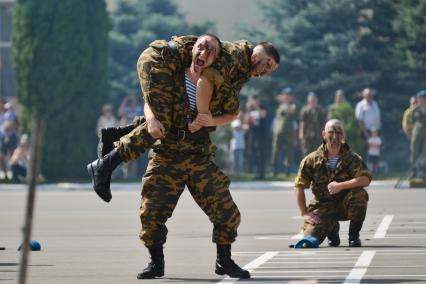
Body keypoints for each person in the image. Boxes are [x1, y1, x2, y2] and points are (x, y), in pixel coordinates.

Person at [87, 33, 280, 280]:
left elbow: (230, 110)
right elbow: (151, 102)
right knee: (151, 214)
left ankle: (224, 261)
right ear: (191, 52)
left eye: (211, 54)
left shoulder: (226, 81)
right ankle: (156, 263)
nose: (204, 56)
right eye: (201, 50)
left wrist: (208, 118)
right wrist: (156, 117)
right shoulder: (172, 78)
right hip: (167, 153)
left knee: (226, 211)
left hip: (197, 153)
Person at [294, 119, 371, 247]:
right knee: (308, 241)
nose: (335, 136)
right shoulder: (312, 159)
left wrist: (340, 186)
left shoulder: (352, 158)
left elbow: (365, 179)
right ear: (324, 134)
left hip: (345, 204)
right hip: (323, 205)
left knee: (359, 194)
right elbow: (299, 185)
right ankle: (332, 229)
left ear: (343, 136)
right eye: (331, 132)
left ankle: (353, 236)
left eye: (339, 132)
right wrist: (304, 213)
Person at [271, 88, 297, 175]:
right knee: (276, 150)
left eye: (288, 96)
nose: (287, 97)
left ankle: (287, 169)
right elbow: (274, 97)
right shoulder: (280, 106)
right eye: (285, 95)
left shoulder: (292, 106)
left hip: (289, 131)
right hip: (278, 131)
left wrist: (288, 105)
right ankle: (275, 169)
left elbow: (292, 114)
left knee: (288, 151)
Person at [299, 92, 326, 157]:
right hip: (307, 135)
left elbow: (324, 122)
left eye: (314, 100)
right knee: (306, 152)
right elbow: (302, 122)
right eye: (311, 100)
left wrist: (325, 133)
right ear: (308, 101)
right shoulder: (305, 110)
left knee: (318, 152)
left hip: (318, 135)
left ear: (316, 100)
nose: (312, 101)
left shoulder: (320, 110)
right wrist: (301, 133)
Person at [409, 90, 426, 178]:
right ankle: (413, 171)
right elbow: (411, 120)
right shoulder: (415, 109)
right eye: (419, 98)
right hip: (417, 133)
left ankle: (423, 171)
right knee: (414, 152)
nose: (421, 100)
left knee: (424, 153)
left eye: (422, 98)